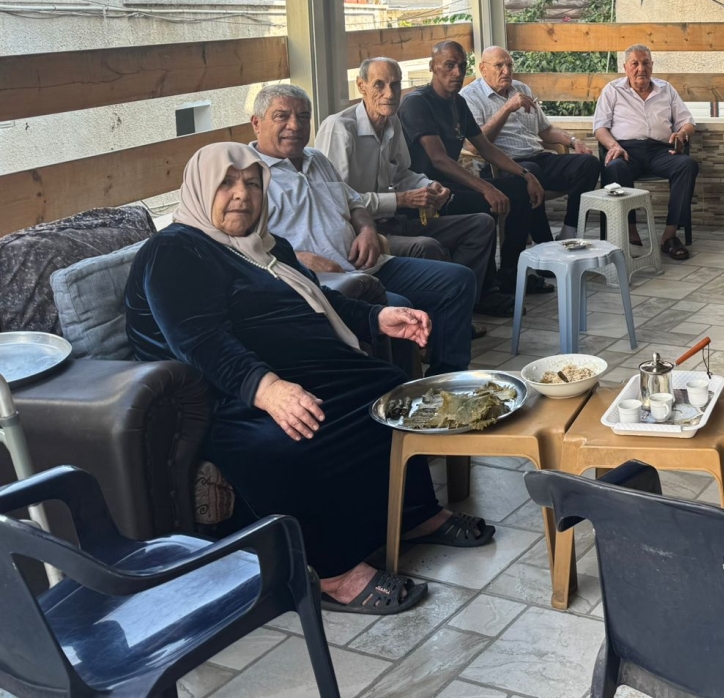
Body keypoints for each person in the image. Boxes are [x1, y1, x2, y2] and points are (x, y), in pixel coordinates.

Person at [125, 144, 495, 614]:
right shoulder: (175, 250)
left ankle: (414, 514)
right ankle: (331, 572)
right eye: (226, 183)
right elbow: (200, 341)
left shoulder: (267, 245)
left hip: (303, 369)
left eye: (252, 183)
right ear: (201, 188)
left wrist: (377, 317)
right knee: (294, 432)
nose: (242, 195)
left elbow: (317, 299)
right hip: (226, 393)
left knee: (388, 388)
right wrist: (267, 389)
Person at [249, 83, 474, 376]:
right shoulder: (248, 176)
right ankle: (401, 392)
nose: (295, 125)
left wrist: (367, 230)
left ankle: (448, 378)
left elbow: (354, 202)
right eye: (282, 116)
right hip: (322, 282)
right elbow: (244, 246)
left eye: (303, 117)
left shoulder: (317, 159)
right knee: (400, 307)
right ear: (256, 123)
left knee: (458, 280)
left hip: (368, 264)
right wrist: (300, 260)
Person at [316, 56, 509, 317]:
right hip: (363, 234)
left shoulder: (392, 122)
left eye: (395, 85)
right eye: (379, 84)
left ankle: (460, 309)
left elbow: (403, 172)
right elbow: (337, 200)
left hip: (394, 221)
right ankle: (436, 317)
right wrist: (401, 199)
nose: (389, 93)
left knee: (481, 224)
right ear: (361, 86)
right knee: (425, 246)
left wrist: (430, 185)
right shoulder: (339, 128)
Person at [399, 41, 550, 298]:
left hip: (452, 185)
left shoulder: (458, 103)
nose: (457, 73)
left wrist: (526, 175)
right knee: (485, 202)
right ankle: (485, 290)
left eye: (461, 66)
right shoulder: (417, 103)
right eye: (449, 65)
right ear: (432, 67)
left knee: (519, 188)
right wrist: (487, 188)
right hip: (427, 193)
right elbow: (439, 160)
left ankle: (510, 274)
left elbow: (486, 147)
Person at [460, 46, 601, 242]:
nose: (506, 71)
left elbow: (546, 130)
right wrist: (507, 108)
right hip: (503, 166)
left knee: (588, 163)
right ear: (483, 68)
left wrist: (573, 141)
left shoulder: (522, 88)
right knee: (531, 172)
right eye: (499, 66)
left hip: (538, 158)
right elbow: (475, 145)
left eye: (510, 65)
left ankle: (570, 230)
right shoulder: (470, 96)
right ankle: (545, 243)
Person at [592, 45, 698, 261]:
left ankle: (670, 235)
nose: (641, 68)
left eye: (646, 63)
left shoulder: (666, 89)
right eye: (635, 63)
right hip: (626, 150)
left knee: (687, 165)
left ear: (652, 65)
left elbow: (687, 122)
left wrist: (682, 134)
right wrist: (613, 146)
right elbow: (600, 127)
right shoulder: (612, 90)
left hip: (661, 150)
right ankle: (629, 230)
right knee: (615, 167)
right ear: (625, 67)